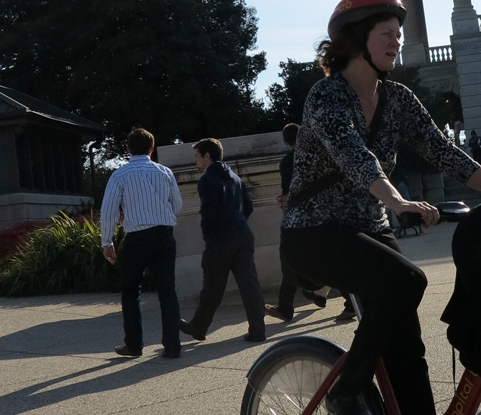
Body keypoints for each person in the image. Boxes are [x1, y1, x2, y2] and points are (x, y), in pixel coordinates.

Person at [279, 0, 481, 415]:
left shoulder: (398, 99)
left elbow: (443, 152)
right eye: (386, 34)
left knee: (408, 344)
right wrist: (397, 199)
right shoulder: (327, 96)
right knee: (408, 282)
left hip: (366, 228)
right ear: (356, 40)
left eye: (398, 35)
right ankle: (345, 391)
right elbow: (354, 156)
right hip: (314, 232)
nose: (396, 42)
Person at [100, 127, 183, 359]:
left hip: (137, 237)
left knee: (130, 290)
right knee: (167, 291)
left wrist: (107, 241)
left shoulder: (120, 175)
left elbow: (108, 211)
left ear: (129, 149)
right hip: (164, 235)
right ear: (151, 149)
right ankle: (173, 345)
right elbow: (177, 205)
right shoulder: (165, 172)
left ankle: (134, 345)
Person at [179, 139, 266, 344]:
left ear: (207, 156)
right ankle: (258, 330)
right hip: (242, 235)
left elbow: (208, 212)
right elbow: (248, 206)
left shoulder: (207, 179)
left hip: (221, 239)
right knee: (250, 286)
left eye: (197, 156)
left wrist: (208, 235)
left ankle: (199, 327)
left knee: (213, 286)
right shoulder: (235, 177)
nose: (195, 160)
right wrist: (238, 222)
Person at [265, 123, 345, 324]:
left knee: (289, 258)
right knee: (328, 257)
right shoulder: (316, 155)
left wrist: (283, 201)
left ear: (286, 143)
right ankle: (339, 298)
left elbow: (289, 191)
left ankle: (288, 306)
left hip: (298, 217)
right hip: (322, 212)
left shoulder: (288, 160)